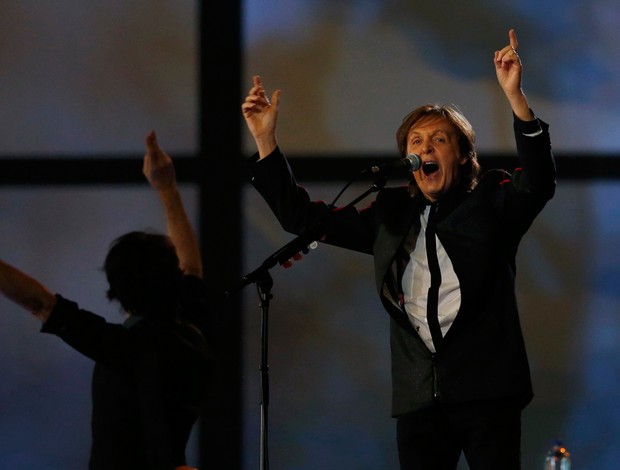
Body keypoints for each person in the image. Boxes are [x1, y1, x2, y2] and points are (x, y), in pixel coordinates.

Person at [241, 29, 556, 469]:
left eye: (438, 141)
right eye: (415, 142)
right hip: (418, 397)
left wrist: (516, 98)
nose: (424, 149)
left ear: (463, 154)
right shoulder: (390, 213)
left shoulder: (490, 200)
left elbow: (539, 183)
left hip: (488, 391)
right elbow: (303, 219)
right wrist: (265, 142)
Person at [0, 131, 210, 470]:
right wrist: (166, 188)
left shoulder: (124, 348)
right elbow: (192, 268)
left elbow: (39, 303)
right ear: (172, 277)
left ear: (115, 286)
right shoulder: (191, 333)